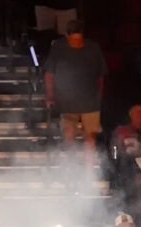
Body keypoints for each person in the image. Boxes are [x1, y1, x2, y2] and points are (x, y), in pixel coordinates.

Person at [43, 22, 106, 165]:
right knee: (69, 134)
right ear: (67, 36)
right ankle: (71, 168)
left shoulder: (93, 47)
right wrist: (50, 95)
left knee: (89, 138)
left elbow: (100, 76)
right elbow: (49, 74)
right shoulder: (59, 47)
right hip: (67, 101)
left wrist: (98, 97)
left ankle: (88, 171)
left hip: (89, 102)